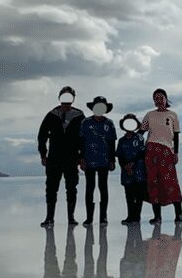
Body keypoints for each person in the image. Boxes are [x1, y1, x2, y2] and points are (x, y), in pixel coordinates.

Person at [37, 86, 85, 228]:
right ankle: (49, 217)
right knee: (51, 187)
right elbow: (42, 135)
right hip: (54, 158)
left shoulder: (79, 116)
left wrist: (82, 157)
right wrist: (43, 154)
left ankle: (71, 217)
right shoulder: (52, 115)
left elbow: (84, 138)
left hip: (71, 158)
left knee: (71, 187)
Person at [139, 88, 182, 223]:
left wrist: (176, 152)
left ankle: (179, 214)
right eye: (156, 98)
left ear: (166, 99)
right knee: (153, 182)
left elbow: (175, 135)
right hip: (151, 149)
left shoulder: (173, 115)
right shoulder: (149, 115)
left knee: (171, 181)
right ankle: (157, 216)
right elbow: (141, 132)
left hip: (166, 150)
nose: (158, 100)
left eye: (161, 97)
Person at [79, 96, 117, 227]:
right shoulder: (85, 123)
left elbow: (112, 143)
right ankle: (89, 217)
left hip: (104, 160)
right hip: (89, 160)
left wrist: (113, 160)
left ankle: (103, 217)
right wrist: (81, 159)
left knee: (103, 188)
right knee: (89, 188)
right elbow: (81, 142)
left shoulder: (109, 123)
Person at [116, 114, 148, 224]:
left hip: (139, 171)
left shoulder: (140, 138)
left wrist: (132, 164)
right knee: (129, 196)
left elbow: (141, 153)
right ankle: (130, 216)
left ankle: (137, 216)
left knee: (139, 196)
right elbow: (119, 155)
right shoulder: (121, 141)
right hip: (126, 173)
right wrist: (125, 166)